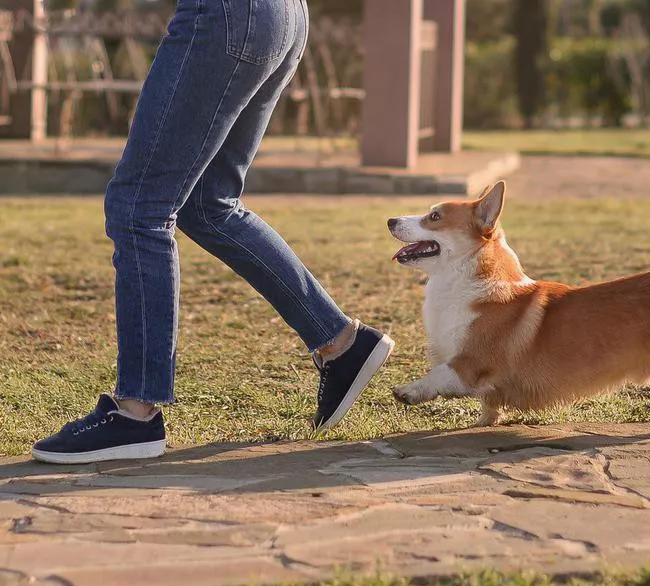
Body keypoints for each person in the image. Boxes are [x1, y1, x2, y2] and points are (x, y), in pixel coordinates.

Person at [31, 0, 394, 464]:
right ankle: (340, 341)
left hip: (227, 14)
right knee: (209, 204)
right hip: (283, 16)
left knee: (140, 206)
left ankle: (135, 413)